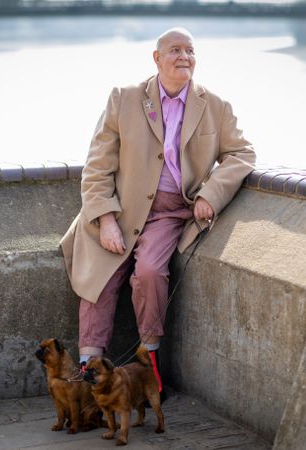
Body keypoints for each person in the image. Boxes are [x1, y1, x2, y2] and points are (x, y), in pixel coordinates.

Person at [59, 27, 256, 394]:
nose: (184, 57)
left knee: (149, 272)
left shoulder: (215, 106)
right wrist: (105, 220)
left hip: (170, 214)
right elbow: (97, 166)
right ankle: (89, 372)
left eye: (190, 51)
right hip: (120, 210)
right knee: (99, 278)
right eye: (175, 50)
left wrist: (212, 194)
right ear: (157, 58)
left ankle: (148, 365)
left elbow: (242, 154)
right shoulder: (124, 98)